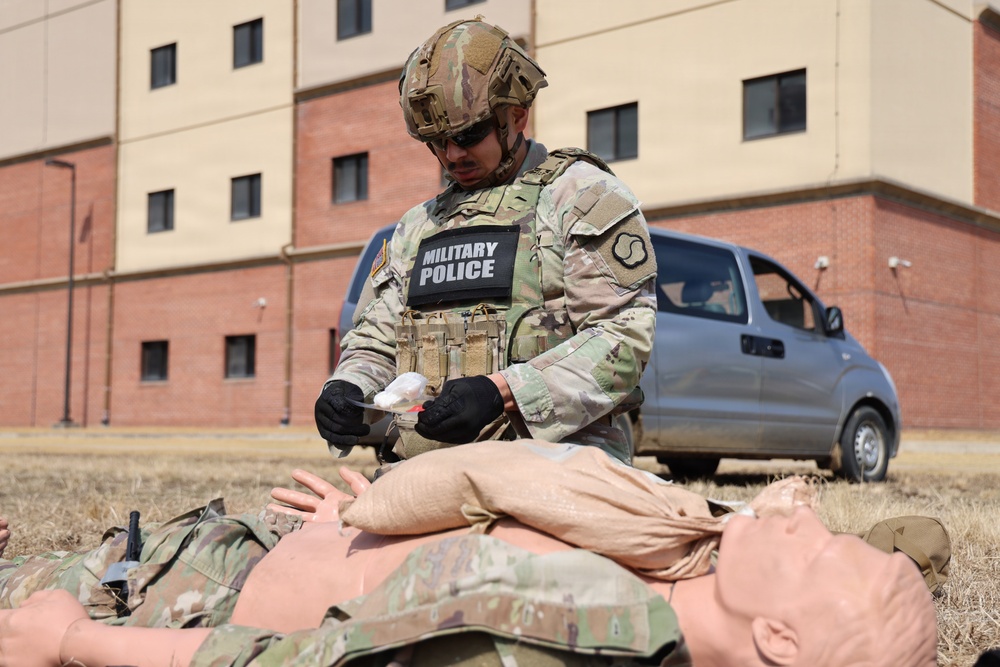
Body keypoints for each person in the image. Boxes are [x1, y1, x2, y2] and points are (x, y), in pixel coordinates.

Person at [0, 458, 937, 666]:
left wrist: (73, 639)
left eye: (815, 546)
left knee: (30, 586)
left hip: (175, 604)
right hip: (257, 548)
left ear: (776, 637)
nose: (798, 513)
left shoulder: (566, 640)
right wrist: (361, 527)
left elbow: (281, 666)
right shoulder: (677, 587)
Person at [315, 17, 657, 463]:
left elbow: (623, 340)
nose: (452, 155)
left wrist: (502, 393)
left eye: (468, 135)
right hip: (424, 467)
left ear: (516, 114)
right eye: (436, 142)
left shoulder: (581, 197)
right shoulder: (417, 227)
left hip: (554, 466)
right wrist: (347, 387)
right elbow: (377, 340)